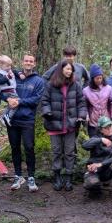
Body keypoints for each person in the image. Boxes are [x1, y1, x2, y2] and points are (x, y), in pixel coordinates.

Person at [41, 60, 87, 191]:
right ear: (60, 70)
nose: (69, 71)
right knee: (56, 152)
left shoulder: (76, 85)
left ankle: (68, 178)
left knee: (69, 153)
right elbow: (44, 101)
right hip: (54, 123)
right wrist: (47, 112)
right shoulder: (51, 85)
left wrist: (81, 116)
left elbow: (81, 102)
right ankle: (57, 177)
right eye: (67, 69)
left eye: (70, 69)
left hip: (70, 125)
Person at [7, 54, 45, 192]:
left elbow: (36, 99)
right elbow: (3, 89)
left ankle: (31, 177)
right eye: (26, 61)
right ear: (22, 62)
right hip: (12, 119)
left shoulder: (38, 81)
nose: (28, 63)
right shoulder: (13, 77)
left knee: (29, 148)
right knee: (14, 147)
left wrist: (19, 101)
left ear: (34, 64)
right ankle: (18, 176)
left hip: (27, 120)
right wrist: (8, 100)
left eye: (31, 61)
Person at [82, 116, 112, 204]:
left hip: (107, 170)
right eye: (106, 127)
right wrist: (101, 140)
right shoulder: (96, 138)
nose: (109, 129)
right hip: (94, 170)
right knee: (92, 183)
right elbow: (85, 146)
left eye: (110, 126)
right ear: (101, 129)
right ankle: (94, 188)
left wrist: (101, 164)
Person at [83, 64, 112, 137]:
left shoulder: (108, 88)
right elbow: (84, 105)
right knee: (95, 144)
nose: (99, 80)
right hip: (93, 122)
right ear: (92, 79)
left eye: (100, 78)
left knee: (107, 144)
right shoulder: (86, 91)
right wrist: (86, 116)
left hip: (106, 121)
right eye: (97, 78)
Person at [0, 55, 19, 126]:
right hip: (7, 91)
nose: (9, 67)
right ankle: (8, 117)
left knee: (12, 104)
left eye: (10, 65)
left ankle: (3, 116)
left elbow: (15, 71)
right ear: (1, 65)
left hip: (11, 90)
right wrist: (7, 77)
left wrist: (20, 74)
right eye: (7, 66)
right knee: (17, 102)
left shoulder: (9, 70)